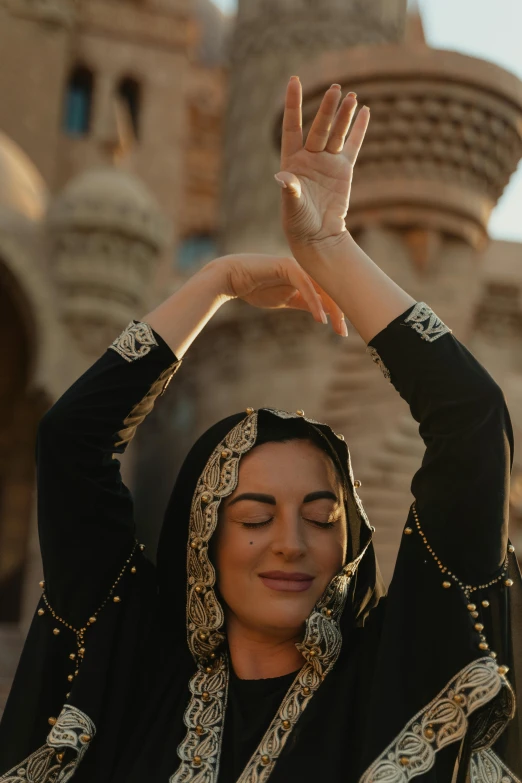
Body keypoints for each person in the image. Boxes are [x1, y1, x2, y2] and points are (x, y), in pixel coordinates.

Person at [0, 77, 520, 783]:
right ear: (205, 537)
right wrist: (214, 283)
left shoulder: (387, 681)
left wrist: (332, 248)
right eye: (253, 514)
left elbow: (473, 420)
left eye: (320, 514)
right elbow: (71, 442)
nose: (290, 541)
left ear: (350, 536)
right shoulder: (143, 673)